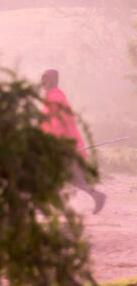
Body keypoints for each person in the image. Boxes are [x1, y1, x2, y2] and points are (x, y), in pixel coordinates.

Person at [40, 69, 106, 214]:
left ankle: (48, 206)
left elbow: (60, 123)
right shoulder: (51, 97)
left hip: (63, 146)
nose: (42, 83)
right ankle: (97, 197)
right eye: (42, 79)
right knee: (72, 179)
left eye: (45, 79)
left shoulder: (56, 98)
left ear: (51, 80)